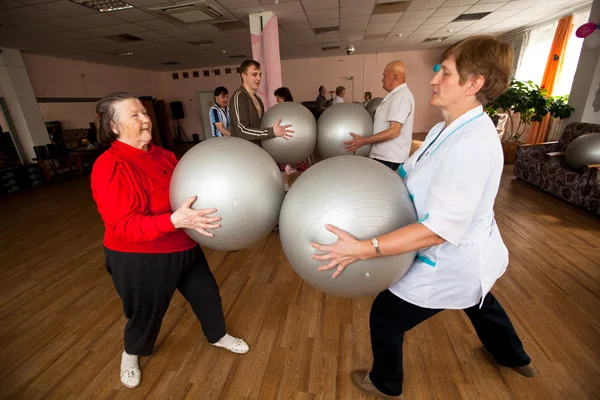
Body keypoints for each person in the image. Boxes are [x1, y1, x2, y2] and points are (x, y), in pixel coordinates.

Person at [310, 36, 534, 400]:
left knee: (386, 315)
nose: (433, 80)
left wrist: (367, 248)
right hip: (465, 258)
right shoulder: (443, 129)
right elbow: (405, 175)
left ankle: (386, 383)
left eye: (445, 73)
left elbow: (438, 230)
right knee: (478, 301)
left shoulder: (471, 146)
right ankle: (514, 356)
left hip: (452, 258)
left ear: (474, 84)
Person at [91, 92, 249, 390]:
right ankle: (131, 353)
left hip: (183, 244)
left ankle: (217, 335)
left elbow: (191, 191)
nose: (145, 118)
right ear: (113, 127)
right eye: (134, 115)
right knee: (146, 313)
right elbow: (123, 225)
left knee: (207, 295)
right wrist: (175, 220)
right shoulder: (110, 165)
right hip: (139, 256)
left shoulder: (163, 155)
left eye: (144, 112)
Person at [344, 61, 415, 171]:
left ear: (394, 77)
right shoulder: (395, 95)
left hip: (389, 159)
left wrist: (363, 141)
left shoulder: (401, 97)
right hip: (384, 156)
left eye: (384, 75)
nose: (382, 79)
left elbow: (394, 131)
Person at [229, 59, 293, 142]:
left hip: (258, 149)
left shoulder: (258, 99)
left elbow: (262, 124)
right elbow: (242, 131)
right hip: (244, 150)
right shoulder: (239, 97)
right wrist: (271, 131)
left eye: (260, 75)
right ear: (244, 75)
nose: (258, 78)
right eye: (254, 74)